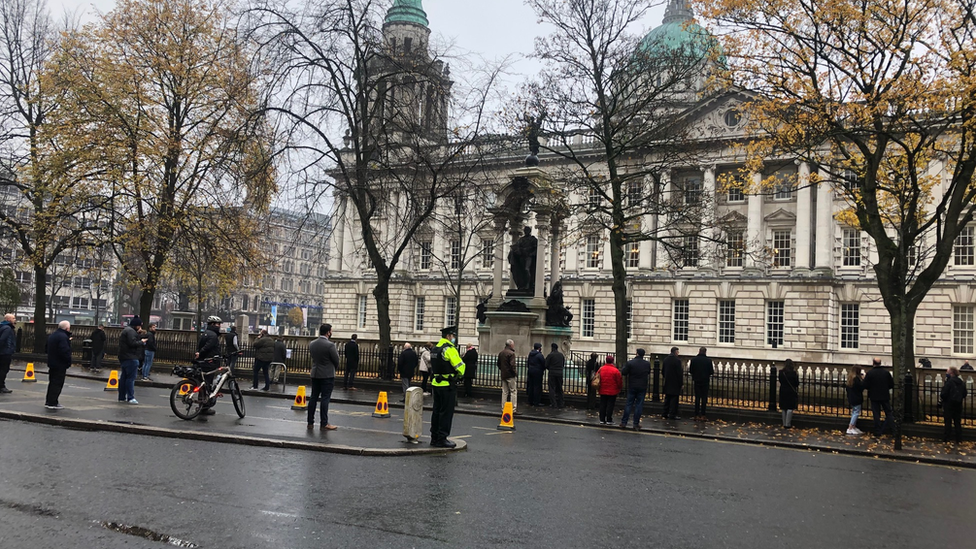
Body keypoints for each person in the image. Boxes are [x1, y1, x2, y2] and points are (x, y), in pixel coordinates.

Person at [429, 326, 465, 448]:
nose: (454, 338)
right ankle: (442, 438)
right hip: (447, 385)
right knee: (446, 413)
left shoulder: (435, 349)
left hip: (436, 384)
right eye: (453, 336)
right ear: (449, 336)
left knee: (436, 412)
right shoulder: (449, 349)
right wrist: (460, 375)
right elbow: (460, 367)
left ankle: (434, 437)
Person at [308, 323, 339, 430]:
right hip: (327, 375)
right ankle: (324, 423)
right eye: (331, 330)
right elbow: (336, 360)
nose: (331, 332)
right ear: (328, 332)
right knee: (325, 399)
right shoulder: (330, 345)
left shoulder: (312, 343)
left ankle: (310, 422)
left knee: (313, 398)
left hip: (315, 373)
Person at [194, 316, 224, 417]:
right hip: (210, 362)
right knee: (207, 384)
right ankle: (204, 407)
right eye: (217, 324)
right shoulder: (213, 335)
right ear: (212, 324)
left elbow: (200, 346)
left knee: (203, 384)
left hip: (203, 362)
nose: (219, 326)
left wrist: (199, 354)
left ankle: (202, 404)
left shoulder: (205, 334)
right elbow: (208, 347)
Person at [862, 357, 894, 436]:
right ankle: (893, 430)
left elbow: (865, 385)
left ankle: (878, 431)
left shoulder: (870, 373)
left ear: (873, 363)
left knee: (876, 414)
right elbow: (891, 384)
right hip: (884, 395)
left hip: (874, 396)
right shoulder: (886, 373)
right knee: (888, 413)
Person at [619, 349, 651, 429]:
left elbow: (624, 372)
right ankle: (636, 423)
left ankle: (624, 422)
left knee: (629, 404)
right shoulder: (647, 364)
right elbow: (648, 372)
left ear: (636, 353)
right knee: (639, 405)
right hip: (642, 386)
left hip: (632, 385)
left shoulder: (630, 363)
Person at [118, 316, 146, 405]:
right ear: (137, 325)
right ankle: (131, 397)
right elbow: (132, 343)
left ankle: (122, 396)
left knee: (124, 377)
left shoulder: (127, 330)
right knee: (130, 378)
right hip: (131, 357)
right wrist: (142, 341)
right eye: (140, 326)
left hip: (124, 357)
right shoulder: (131, 331)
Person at [45, 321, 72, 410]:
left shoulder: (53, 335)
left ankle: (49, 401)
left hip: (52, 363)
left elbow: (46, 348)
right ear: (67, 328)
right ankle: (53, 402)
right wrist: (68, 361)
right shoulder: (63, 337)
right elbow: (64, 351)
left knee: (52, 383)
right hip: (60, 364)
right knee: (57, 384)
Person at [941, 366, 967, 443]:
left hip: (949, 404)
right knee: (957, 422)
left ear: (951, 373)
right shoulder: (961, 382)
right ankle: (959, 438)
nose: (946, 373)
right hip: (958, 404)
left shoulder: (949, 382)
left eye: (947, 372)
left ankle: (947, 438)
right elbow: (964, 394)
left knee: (948, 422)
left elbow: (944, 394)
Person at [689, 346, 714, 421]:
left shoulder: (694, 360)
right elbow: (711, 372)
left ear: (699, 351)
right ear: (705, 352)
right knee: (704, 399)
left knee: (697, 398)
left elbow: (691, 370)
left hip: (697, 381)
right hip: (705, 381)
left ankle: (696, 415)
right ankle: (703, 415)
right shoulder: (708, 361)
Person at [596, 355, 622, 425]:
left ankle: (602, 419)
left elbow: (597, 377)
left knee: (603, 404)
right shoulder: (615, 370)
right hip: (612, 391)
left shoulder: (601, 369)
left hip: (602, 389)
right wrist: (619, 388)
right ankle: (609, 419)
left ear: (606, 361)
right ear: (613, 361)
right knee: (610, 405)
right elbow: (619, 381)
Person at [497, 339, 518, 415]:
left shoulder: (501, 353)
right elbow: (512, 365)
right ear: (511, 345)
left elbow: (498, 364)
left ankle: (503, 408)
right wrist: (515, 373)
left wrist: (502, 370)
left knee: (505, 392)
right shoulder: (511, 353)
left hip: (503, 374)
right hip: (510, 375)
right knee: (513, 391)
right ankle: (513, 409)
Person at [662, 347, 683, 420]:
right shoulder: (677, 360)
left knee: (667, 398)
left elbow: (663, 371)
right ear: (675, 352)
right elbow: (679, 373)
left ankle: (665, 413)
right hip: (675, 383)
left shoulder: (666, 359)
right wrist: (681, 384)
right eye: (678, 352)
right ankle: (672, 414)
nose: (678, 353)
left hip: (668, 381)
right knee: (674, 400)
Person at [779, 359, 800, 428]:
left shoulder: (781, 372)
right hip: (791, 391)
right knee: (790, 407)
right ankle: (788, 424)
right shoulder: (793, 373)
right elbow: (797, 383)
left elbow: (780, 381)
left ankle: (784, 423)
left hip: (783, 390)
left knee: (784, 408)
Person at [545, 343, 565, 408]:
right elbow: (563, 364)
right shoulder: (561, 355)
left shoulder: (550, 355)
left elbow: (546, 365)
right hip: (560, 373)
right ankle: (561, 403)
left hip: (552, 373)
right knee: (559, 388)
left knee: (552, 388)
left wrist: (550, 368)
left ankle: (554, 403)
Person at [846, 366, 865, 435]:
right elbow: (861, 388)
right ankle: (850, 427)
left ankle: (853, 426)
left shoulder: (850, 379)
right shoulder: (856, 379)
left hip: (851, 398)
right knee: (856, 412)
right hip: (856, 398)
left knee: (854, 411)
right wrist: (863, 380)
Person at [526, 342, 545, 406]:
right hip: (537, 372)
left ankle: (530, 400)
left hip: (530, 371)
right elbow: (543, 363)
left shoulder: (530, 354)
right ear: (539, 348)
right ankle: (536, 401)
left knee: (531, 386)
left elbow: (528, 363)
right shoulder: (539, 355)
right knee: (537, 387)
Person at [0, 313, 15, 394]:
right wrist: (9, 349)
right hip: (5, 353)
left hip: (2, 352)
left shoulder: (2, 326)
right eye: (13, 318)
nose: (14, 320)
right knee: (4, 369)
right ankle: (1, 386)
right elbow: (3, 340)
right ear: (8, 319)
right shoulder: (7, 329)